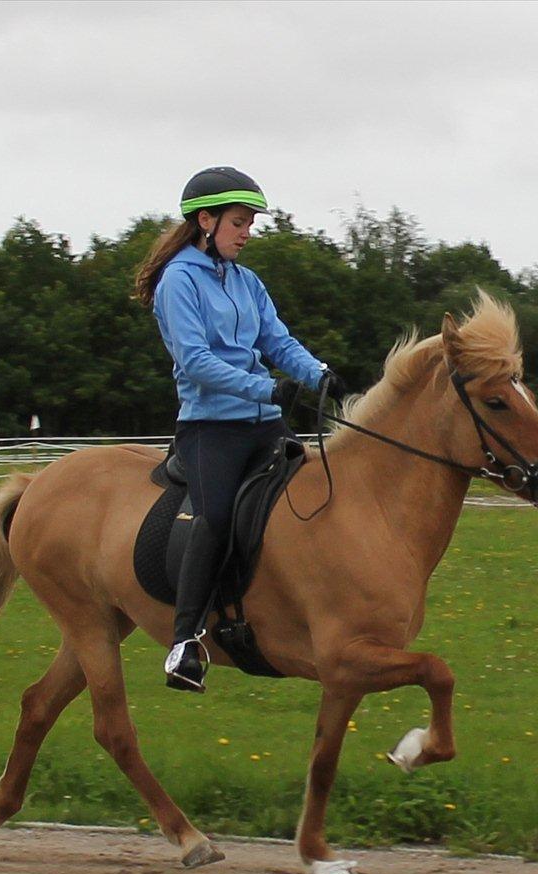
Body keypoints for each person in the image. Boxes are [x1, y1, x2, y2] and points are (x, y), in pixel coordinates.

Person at [134, 166, 346, 692]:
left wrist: (318, 375)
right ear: (205, 221)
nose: (246, 232)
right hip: (211, 428)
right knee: (218, 517)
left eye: (249, 222)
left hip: (265, 423)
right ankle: (185, 643)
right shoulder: (178, 281)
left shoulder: (246, 281)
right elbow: (197, 361)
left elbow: (277, 341)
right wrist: (265, 390)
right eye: (238, 222)